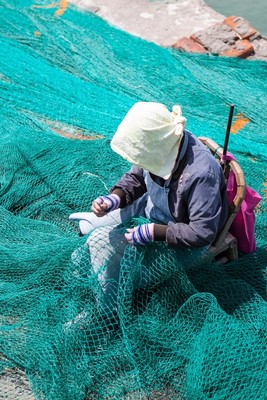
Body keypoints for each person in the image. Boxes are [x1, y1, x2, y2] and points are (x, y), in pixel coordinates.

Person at [70, 101, 228, 320]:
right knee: (93, 240)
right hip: (151, 209)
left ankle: (106, 315)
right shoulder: (163, 143)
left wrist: (154, 232)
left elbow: (202, 232)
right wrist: (114, 198)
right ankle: (99, 288)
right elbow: (136, 177)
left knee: (104, 247)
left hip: (181, 242)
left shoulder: (201, 174)